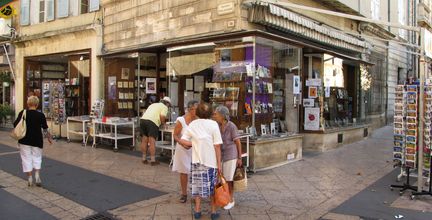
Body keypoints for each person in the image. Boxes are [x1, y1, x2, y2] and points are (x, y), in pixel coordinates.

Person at [178, 102, 222, 220]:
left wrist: (195, 143)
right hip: (211, 161)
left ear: (197, 113)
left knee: (197, 186)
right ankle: (213, 211)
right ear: (210, 113)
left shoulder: (193, 124)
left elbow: (183, 140)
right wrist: (219, 164)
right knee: (213, 187)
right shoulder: (214, 124)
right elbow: (217, 146)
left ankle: (197, 211)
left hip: (196, 161)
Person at [13, 96, 52, 187]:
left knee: (26, 158)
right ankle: (37, 175)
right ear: (37, 104)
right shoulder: (41, 115)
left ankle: (30, 178)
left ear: (28, 103)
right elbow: (45, 128)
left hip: (24, 140)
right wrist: (49, 137)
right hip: (37, 140)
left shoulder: (23, 113)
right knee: (37, 157)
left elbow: (15, 124)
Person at [213, 105, 242, 210]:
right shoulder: (216, 125)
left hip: (231, 155)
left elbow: (237, 142)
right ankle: (224, 197)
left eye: (216, 114)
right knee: (222, 179)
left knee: (229, 179)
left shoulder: (231, 126)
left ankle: (230, 199)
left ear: (222, 115)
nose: (214, 115)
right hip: (221, 155)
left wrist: (240, 157)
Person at [172, 100, 199, 203]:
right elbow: (175, 135)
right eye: (194, 109)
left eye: (197, 110)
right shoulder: (181, 120)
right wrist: (181, 142)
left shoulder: (198, 120)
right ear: (189, 109)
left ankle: (195, 194)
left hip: (195, 148)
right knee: (184, 172)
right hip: (183, 148)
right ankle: (184, 193)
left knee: (195, 171)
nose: (195, 112)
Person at [140, 96, 171, 165]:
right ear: (167, 103)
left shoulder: (153, 104)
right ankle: (153, 161)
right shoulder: (165, 107)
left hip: (143, 120)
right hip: (152, 122)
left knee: (144, 140)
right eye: (169, 105)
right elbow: (162, 117)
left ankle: (144, 159)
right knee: (152, 142)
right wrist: (164, 124)